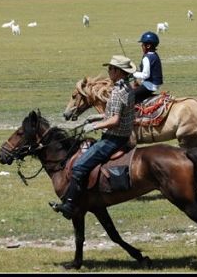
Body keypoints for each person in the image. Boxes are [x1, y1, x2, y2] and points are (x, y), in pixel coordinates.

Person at [52, 55, 136, 220]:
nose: (109, 71)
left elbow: (115, 120)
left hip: (113, 139)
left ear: (119, 72)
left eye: (111, 69)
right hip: (121, 136)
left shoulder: (118, 91)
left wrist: (94, 126)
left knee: (79, 167)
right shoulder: (127, 88)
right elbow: (114, 113)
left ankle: (70, 204)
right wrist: (95, 118)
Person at [132, 31, 163, 104]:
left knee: (129, 96)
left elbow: (145, 75)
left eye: (142, 44)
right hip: (154, 84)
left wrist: (133, 73)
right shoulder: (154, 55)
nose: (141, 46)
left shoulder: (147, 57)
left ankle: (131, 114)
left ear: (148, 46)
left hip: (149, 86)